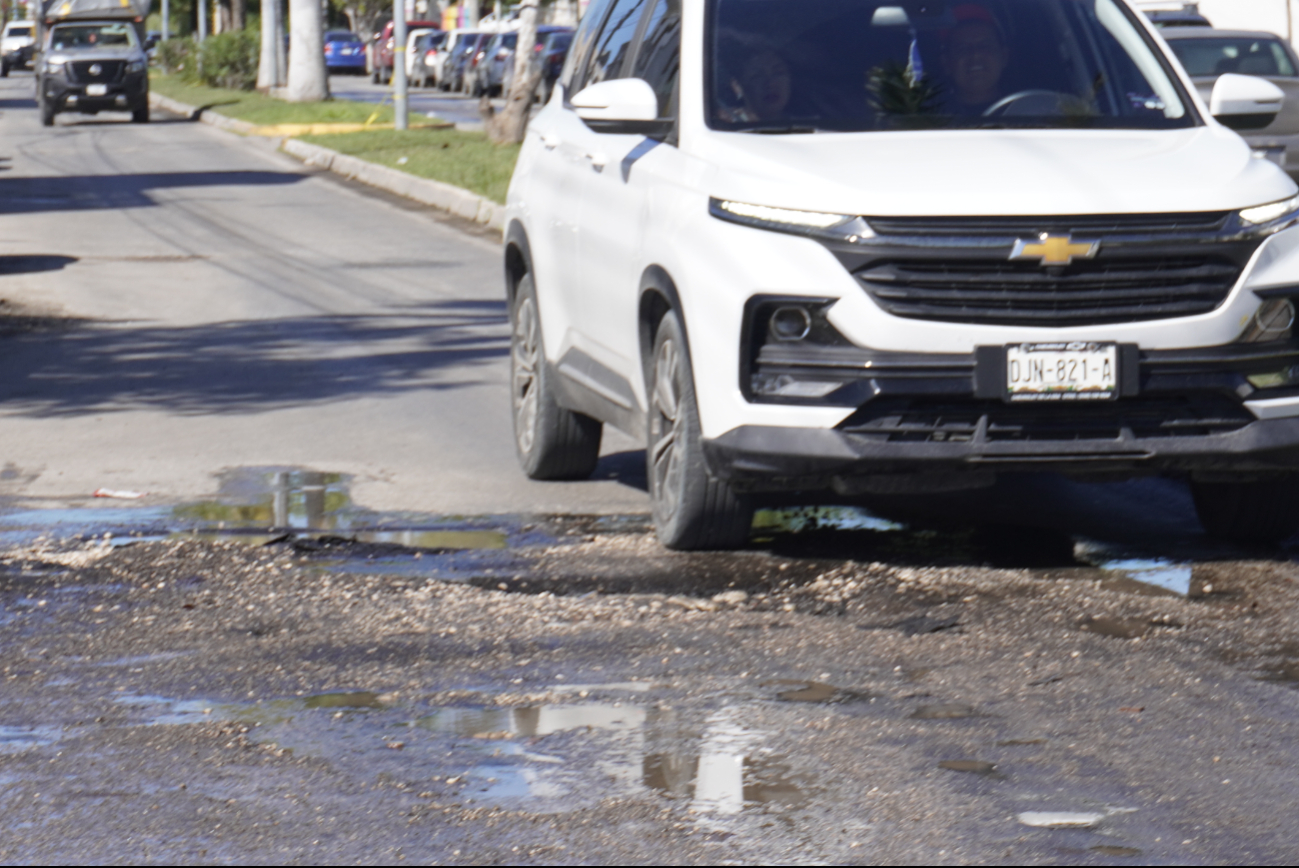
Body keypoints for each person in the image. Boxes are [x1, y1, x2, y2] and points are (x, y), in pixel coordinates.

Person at [941, 4, 1010, 115]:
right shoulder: (930, 120)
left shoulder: (1030, 112)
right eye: (962, 49)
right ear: (947, 63)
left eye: (984, 46)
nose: (975, 55)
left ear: (1004, 57)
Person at [721, 47, 792, 122]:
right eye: (757, 76)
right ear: (737, 86)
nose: (771, 83)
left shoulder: (803, 126)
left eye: (778, 73)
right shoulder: (725, 126)